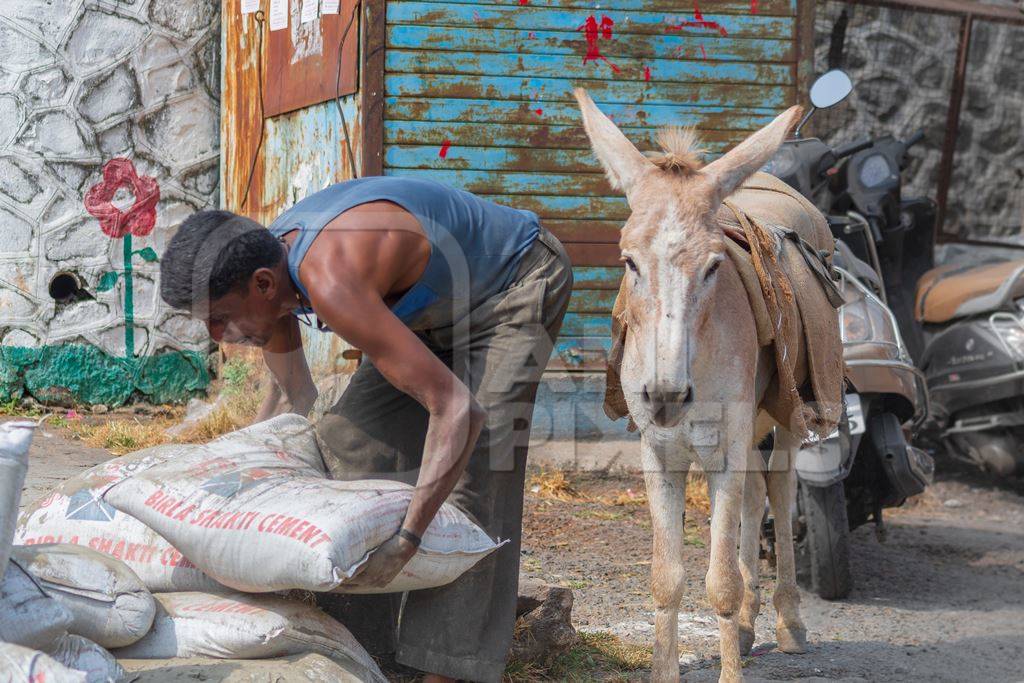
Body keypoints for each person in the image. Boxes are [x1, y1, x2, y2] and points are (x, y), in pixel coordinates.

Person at [158, 175, 573, 682]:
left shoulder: (331, 282)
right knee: (347, 447)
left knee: (475, 473)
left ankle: (447, 669)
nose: (218, 336)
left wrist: (409, 535)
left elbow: (457, 410)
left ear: (262, 284)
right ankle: (364, 654)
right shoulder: (272, 274)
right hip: (427, 310)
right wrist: (233, 488)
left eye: (221, 317)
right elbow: (296, 399)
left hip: (512, 285)